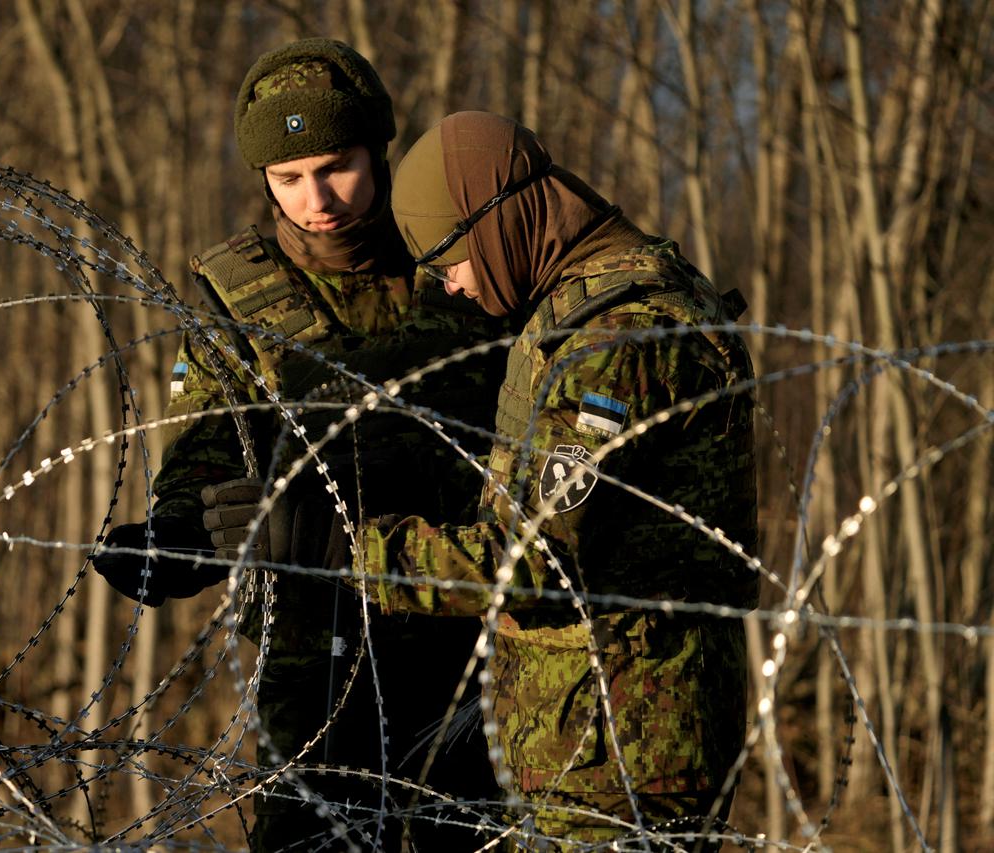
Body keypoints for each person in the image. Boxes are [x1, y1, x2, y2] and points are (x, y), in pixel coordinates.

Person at [93, 42, 507, 851]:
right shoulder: (238, 298)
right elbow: (212, 437)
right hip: (318, 647)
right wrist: (180, 532)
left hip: (464, 632)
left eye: (335, 166)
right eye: (288, 178)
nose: (316, 199)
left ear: (377, 150)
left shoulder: (459, 262)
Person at [352, 110, 759, 848]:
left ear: (496, 215)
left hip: (623, 755)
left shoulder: (616, 336)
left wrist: (350, 552)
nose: (451, 287)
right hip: (593, 739)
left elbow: (537, 557)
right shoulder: (591, 304)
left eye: (450, 259)